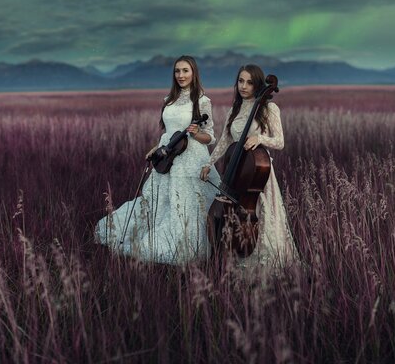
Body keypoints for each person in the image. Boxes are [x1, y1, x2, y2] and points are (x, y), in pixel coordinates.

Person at [96, 56, 220, 265]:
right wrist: (157, 149)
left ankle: (184, 246)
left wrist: (196, 133)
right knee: (157, 203)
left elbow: (210, 137)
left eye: (185, 71)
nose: (181, 75)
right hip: (169, 157)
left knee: (186, 204)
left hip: (191, 158)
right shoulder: (168, 100)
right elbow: (168, 134)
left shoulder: (202, 101)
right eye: (177, 71)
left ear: (194, 73)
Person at [200, 64, 299, 270]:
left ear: (258, 84)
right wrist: (209, 163)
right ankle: (233, 255)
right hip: (237, 175)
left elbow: (280, 142)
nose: (244, 86)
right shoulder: (234, 110)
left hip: (257, 174)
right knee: (234, 215)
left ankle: (263, 263)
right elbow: (225, 142)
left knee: (260, 218)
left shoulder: (269, 108)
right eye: (240, 81)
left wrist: (259, 138)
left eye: (250, 82)